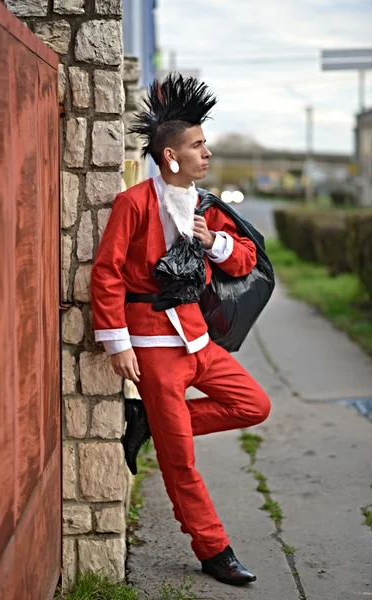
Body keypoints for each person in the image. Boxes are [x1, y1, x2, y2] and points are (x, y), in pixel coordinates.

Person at [91, 73, 271, 587]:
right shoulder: (135, 204)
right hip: (151, 345)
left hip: (196, 338)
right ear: (171, 157)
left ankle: (151, 425)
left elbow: (245, 260)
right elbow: (106, 273)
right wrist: (118, 342)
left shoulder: (208, 206)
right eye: (197, 145)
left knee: (253, 404)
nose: (207, 153)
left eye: (205, 143)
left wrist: (213, 240)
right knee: (182, 464)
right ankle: (214, 550)